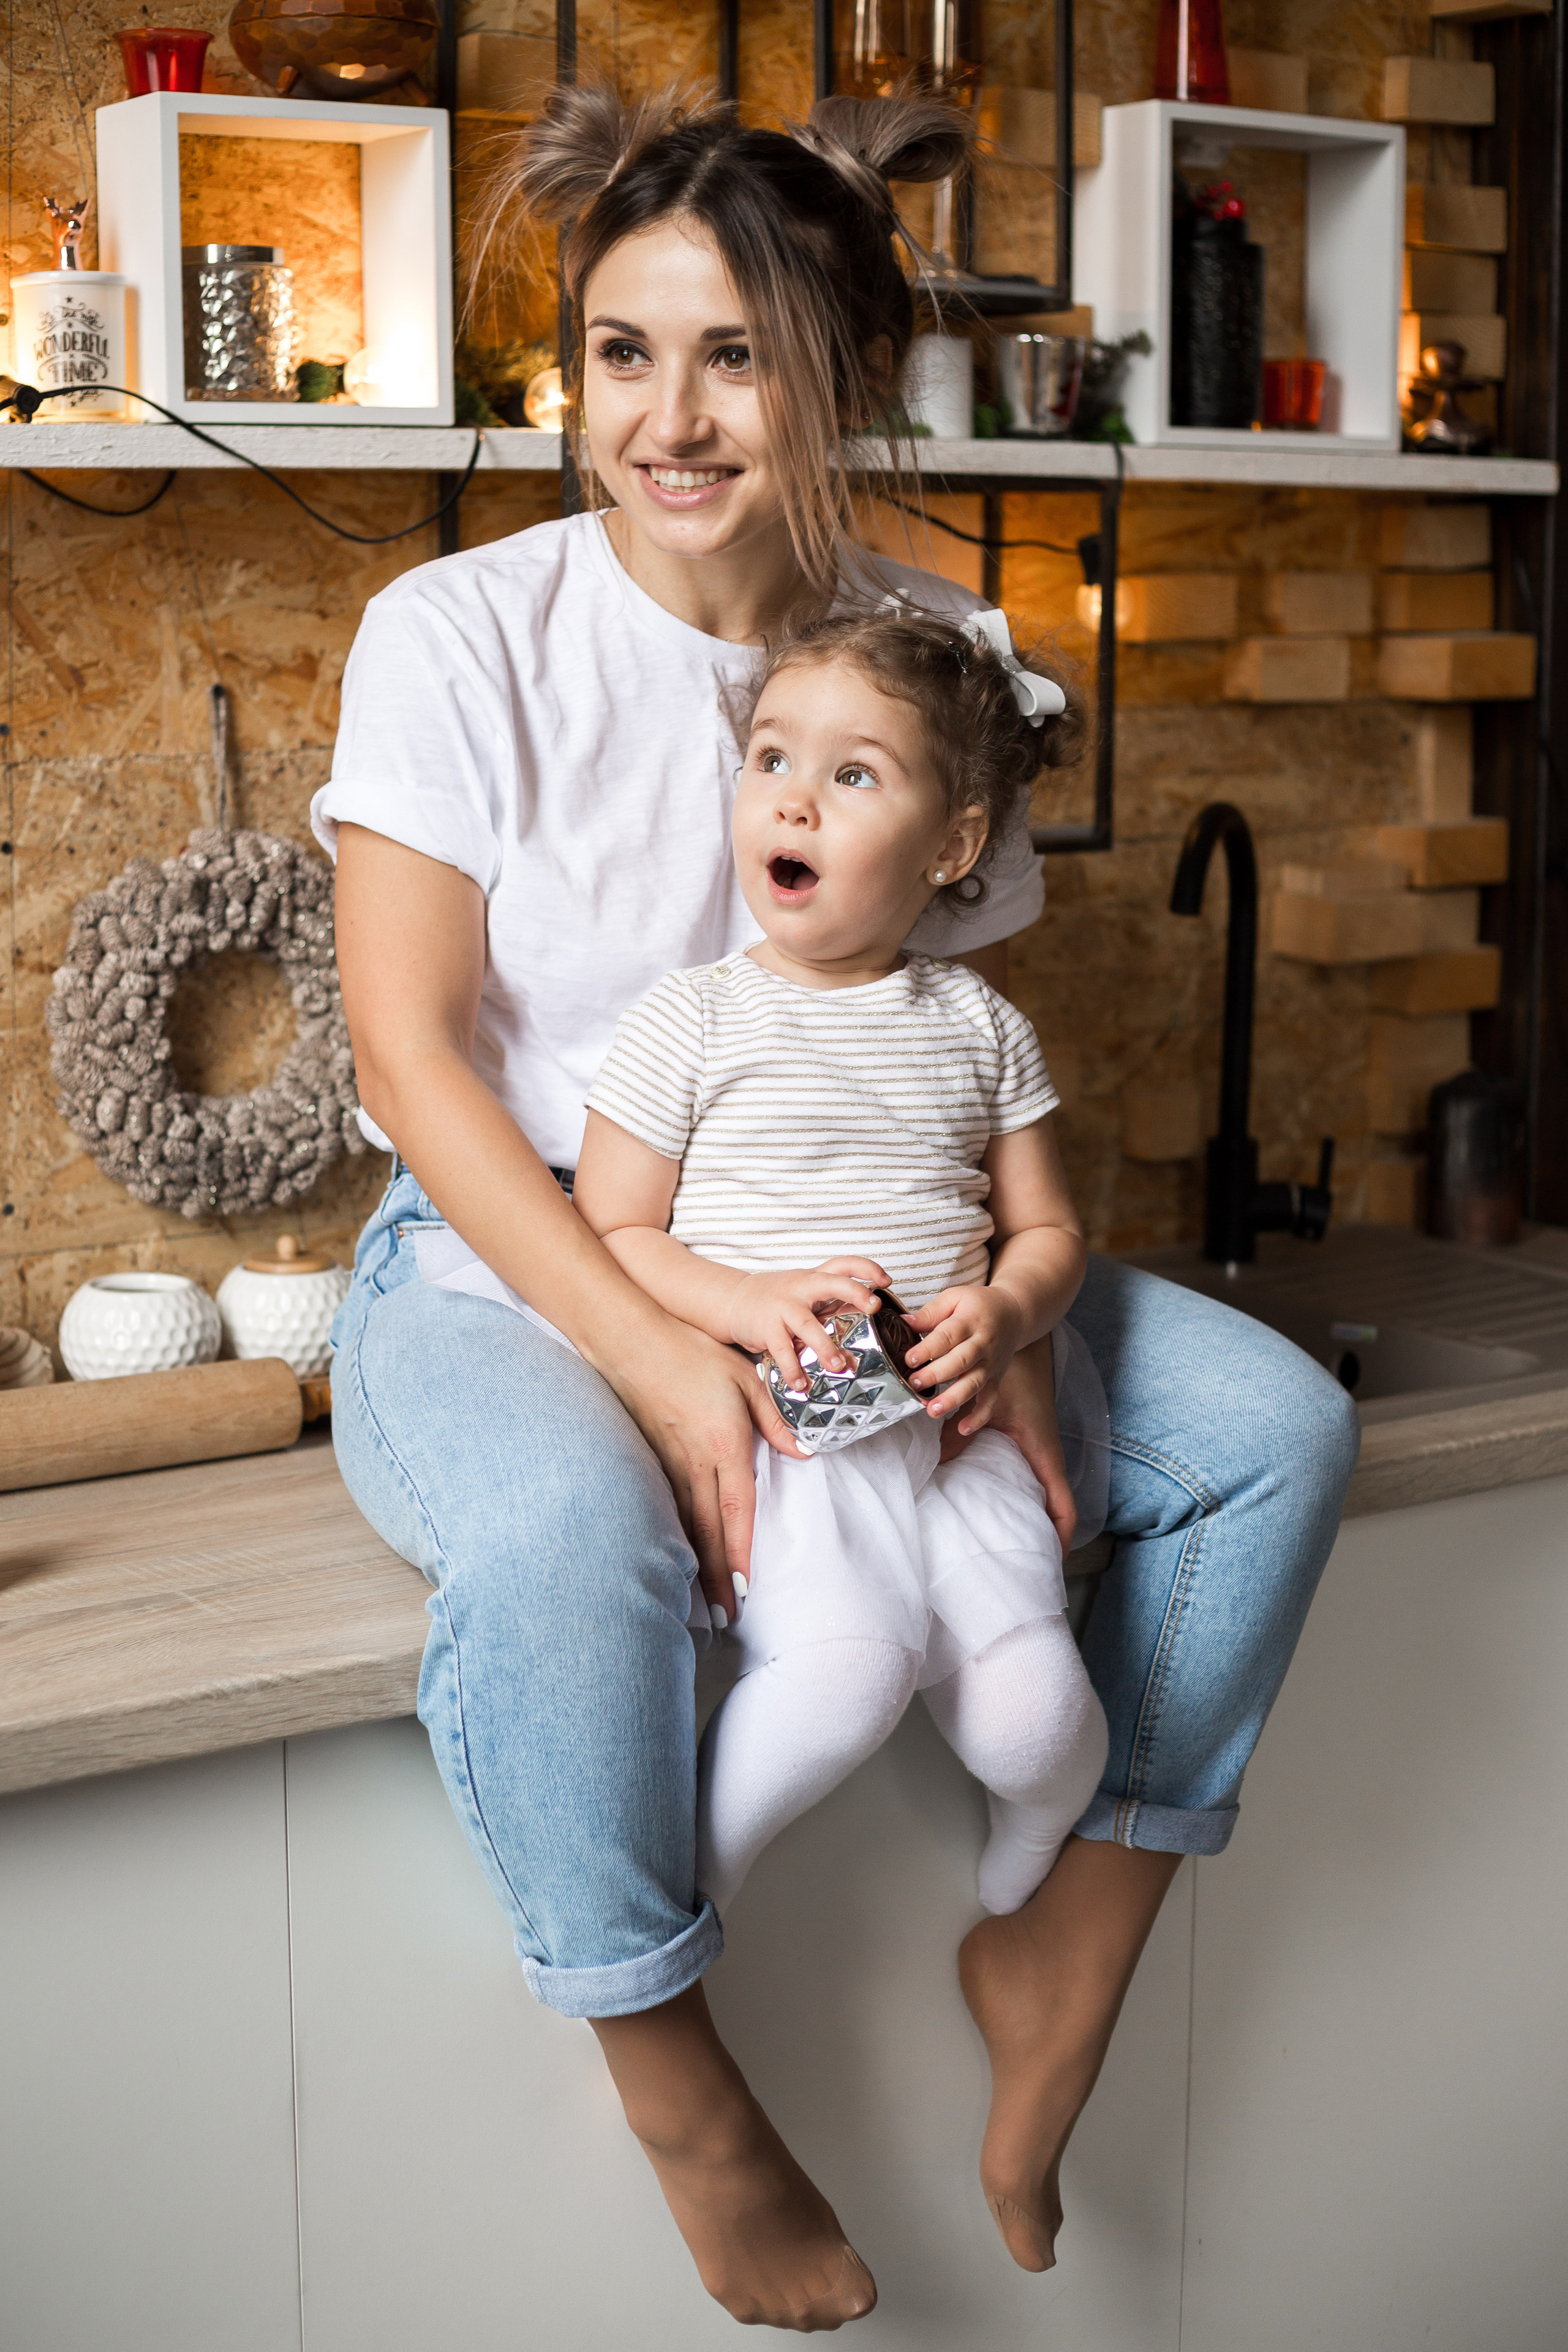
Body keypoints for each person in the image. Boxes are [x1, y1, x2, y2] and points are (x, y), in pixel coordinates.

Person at [320, 81, 1360, 2331]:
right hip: (508, 1266)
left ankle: (1067, 1940)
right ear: (569, 368)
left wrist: (1013, 1313)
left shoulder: (935, 661)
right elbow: (412, 1064)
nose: (669, 419)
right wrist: (662, 1353)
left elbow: (933, 1081)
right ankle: (681, 2081)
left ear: (841, 382)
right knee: (563, 1548)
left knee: (1270, 1432)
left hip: (870, 1281)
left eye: (734, 357)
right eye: (621, 351)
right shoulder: (454, 634)